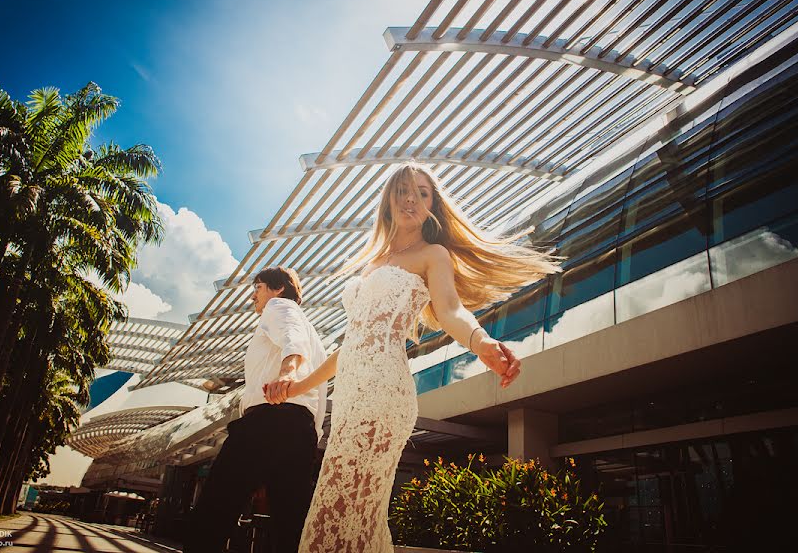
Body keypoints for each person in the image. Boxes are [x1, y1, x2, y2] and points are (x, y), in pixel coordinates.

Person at [264, 162, 561, 552]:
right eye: (403, 189)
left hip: (384, 392)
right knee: (347, 515)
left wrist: (482, 342)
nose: (411, 199)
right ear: (388, 198)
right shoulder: (374, 262)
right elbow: (351, 344)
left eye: (422, 193)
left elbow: (451, 309)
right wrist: (296, 387)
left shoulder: (433, 254)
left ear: (433, 204)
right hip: (352, 399)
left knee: (339, 514)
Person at [183, 266, 327, 553]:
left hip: (267, 420)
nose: (253, 296)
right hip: (302, 430)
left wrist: (287, 372)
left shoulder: (279, 306)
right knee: (290, 524)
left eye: (258, 287)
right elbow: (318, 397)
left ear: (278, 289)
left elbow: (291, 336)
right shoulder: (316, 338)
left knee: (215, 508)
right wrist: (312, 436)